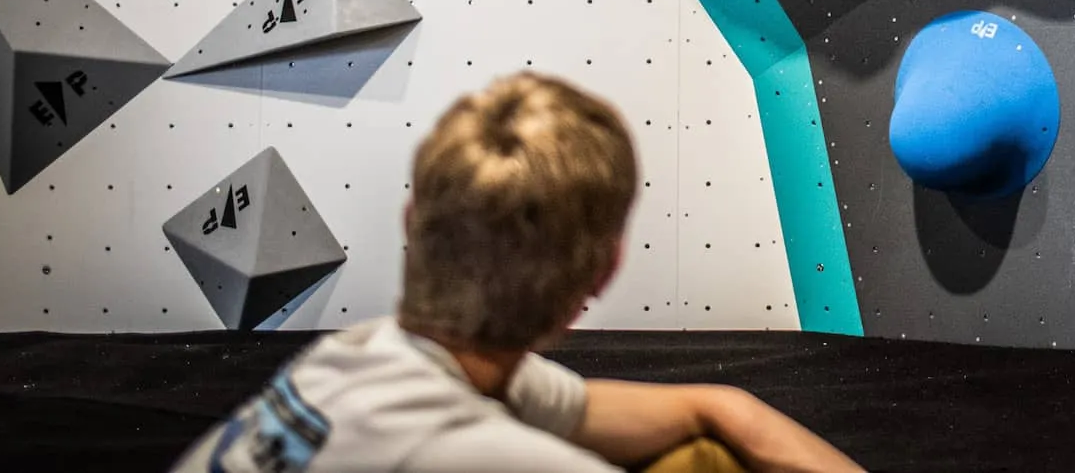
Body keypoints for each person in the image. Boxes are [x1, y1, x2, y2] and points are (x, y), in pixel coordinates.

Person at [169, 73, 860, 473]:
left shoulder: (355, 361)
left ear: (414, 222)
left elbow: (715, 409)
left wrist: (720, 413)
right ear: (604, 272)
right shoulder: (482, 456)